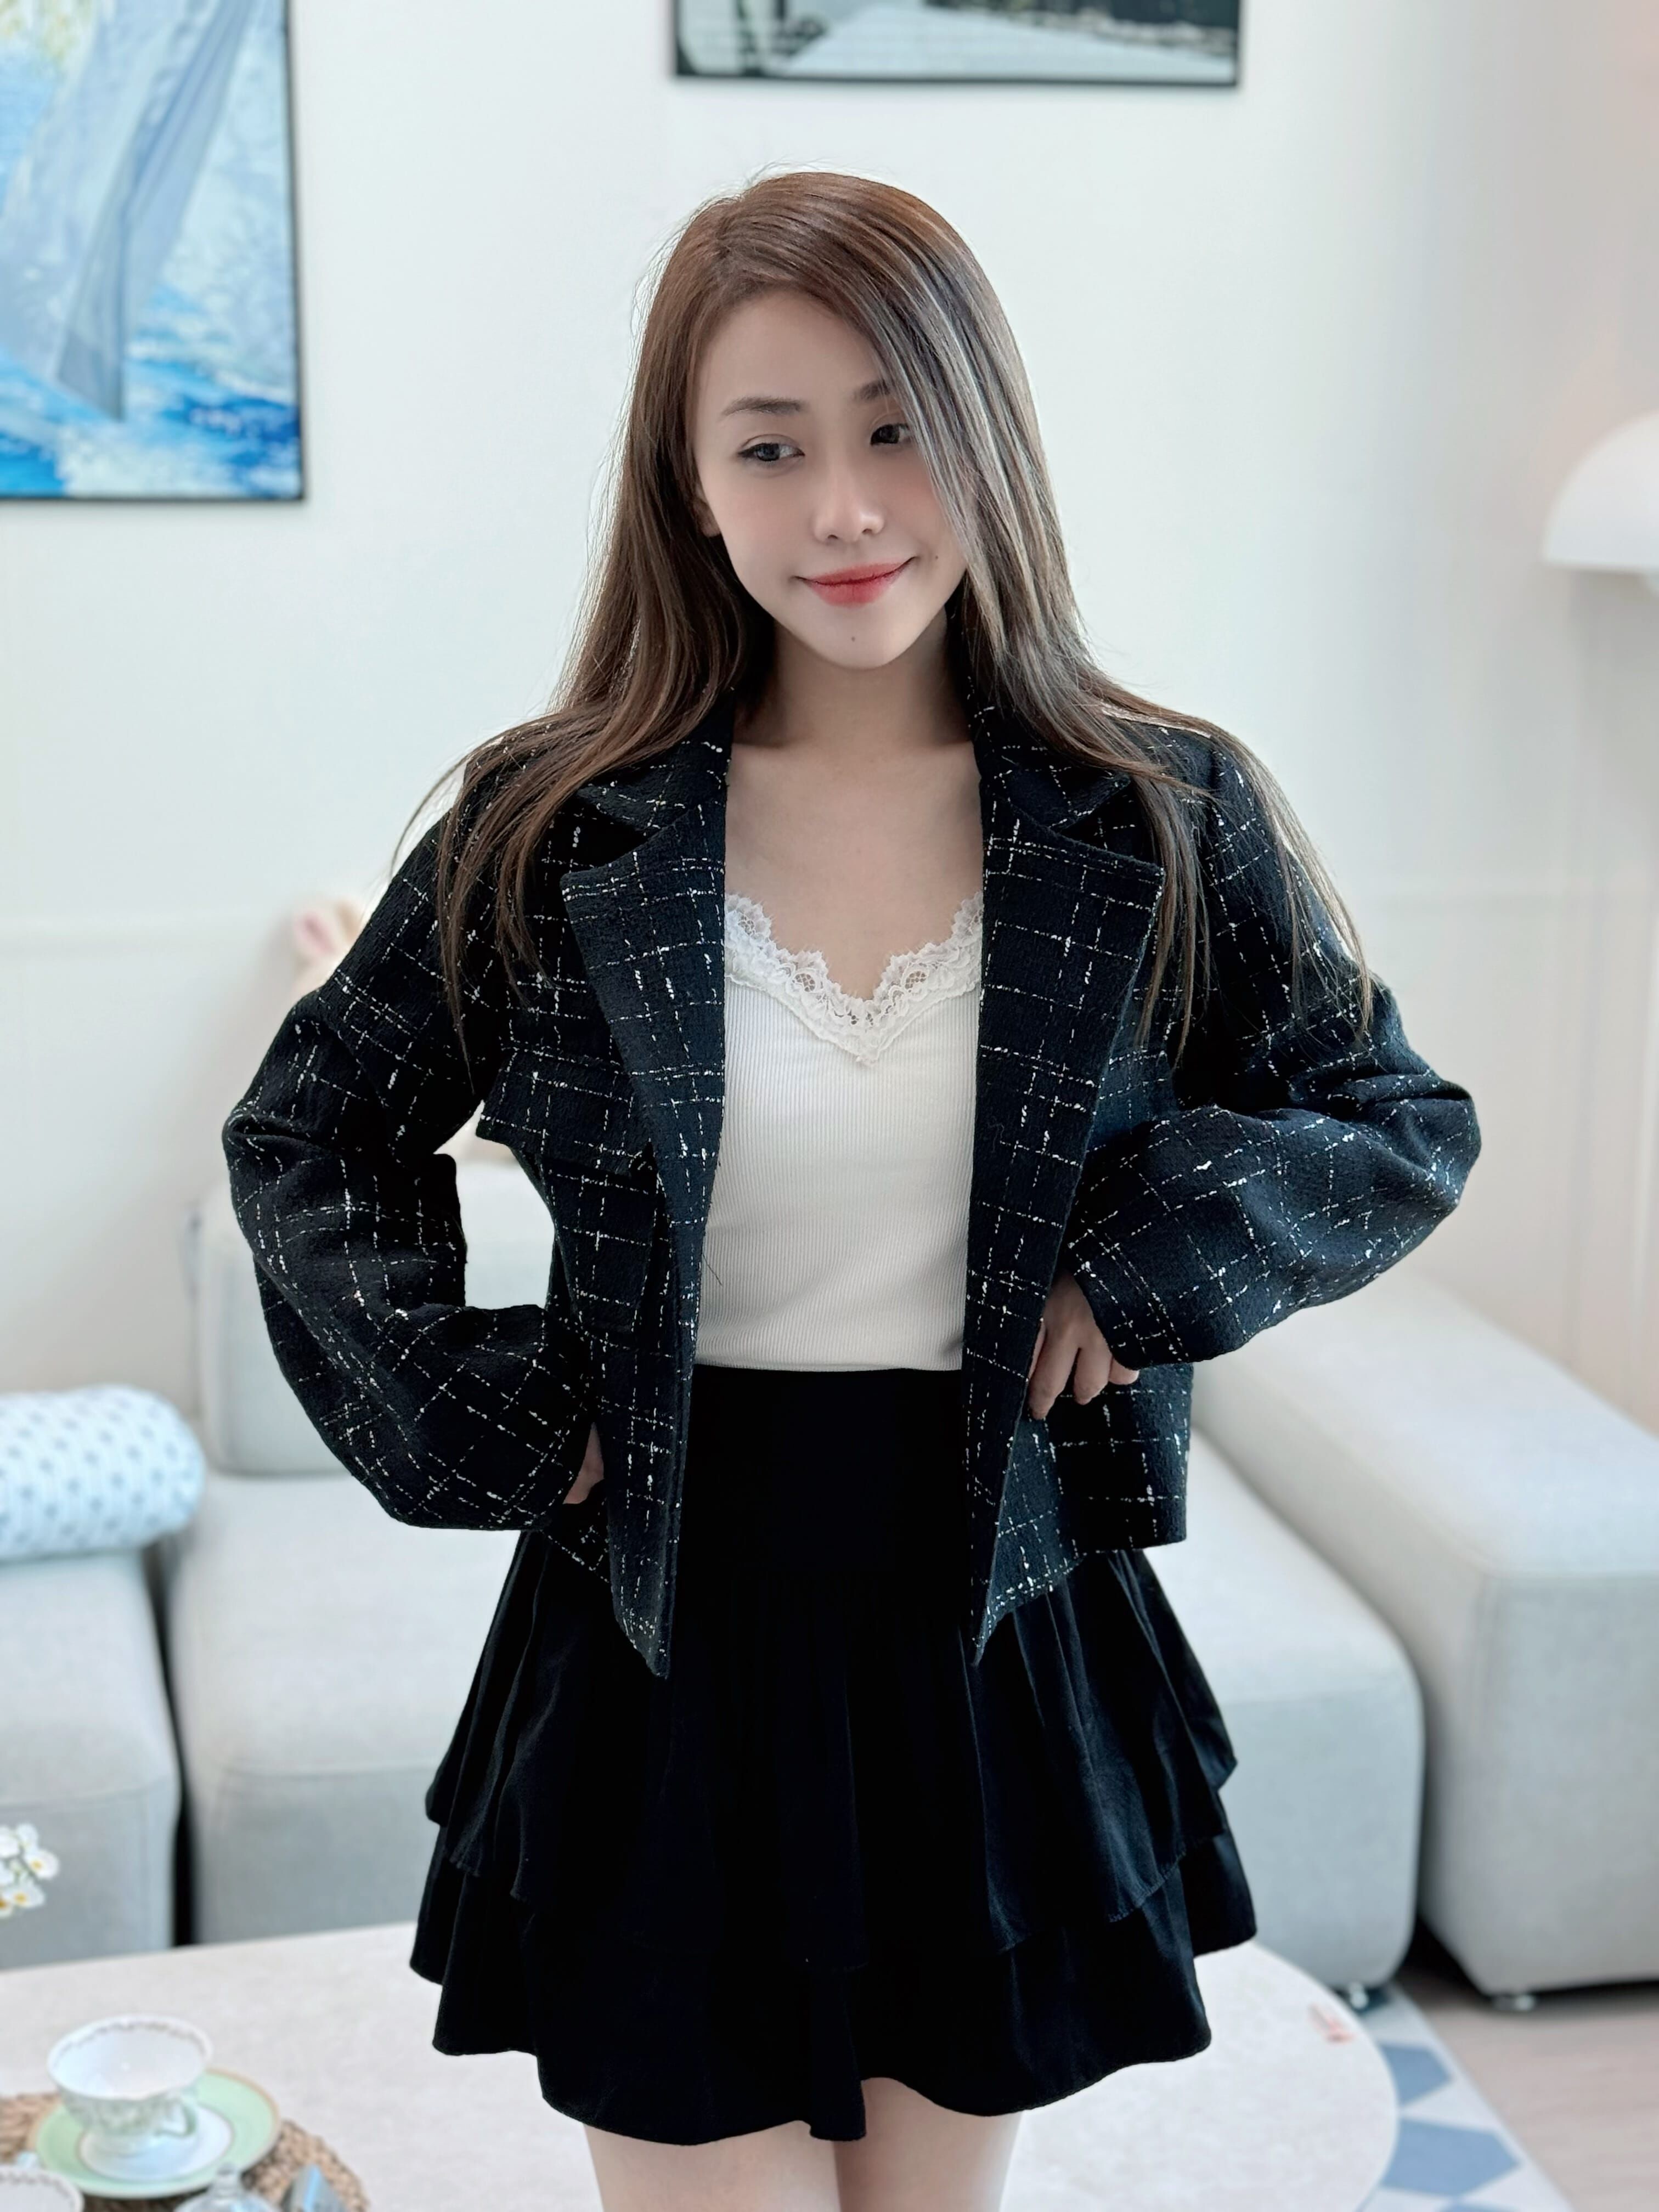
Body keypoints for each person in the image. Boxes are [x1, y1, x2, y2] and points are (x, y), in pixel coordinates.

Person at [222, 169, 1482, 2212]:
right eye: (770, 446)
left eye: (896, 428)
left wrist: (1135, 1267)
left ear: (986, 436)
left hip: (992, 1624)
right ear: (690, 486)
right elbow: (309, 1136)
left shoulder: (1155, 809)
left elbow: (1390, 1117)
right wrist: (491, 1409)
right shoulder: (555, 824)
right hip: (661, 1634)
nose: (843, 507)